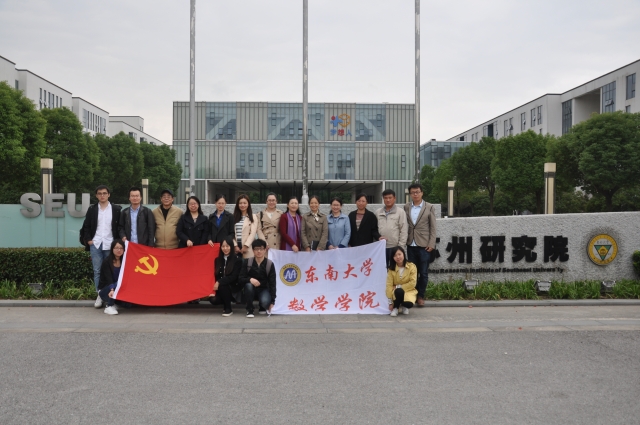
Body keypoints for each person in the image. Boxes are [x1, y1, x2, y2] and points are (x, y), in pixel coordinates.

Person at [82, 185, 122, 303]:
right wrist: (89, 240)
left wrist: (118, 242)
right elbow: (86, 226)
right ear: (96, 195)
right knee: (98, 271)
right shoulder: (92, 209)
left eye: (104, 193)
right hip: (96, 244)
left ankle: (111, 294)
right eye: (99, 193)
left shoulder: (116, 209)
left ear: (109, 194)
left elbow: (119, 227)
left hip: (111, 245)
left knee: (111, 270)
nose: (102, 195)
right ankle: (99, 295)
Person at [403, 183, 437, 307]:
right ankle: (412, 295)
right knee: (412, 273)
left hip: (424, 245)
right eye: (413, 192)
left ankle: (421, 296)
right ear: (410, 194)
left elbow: (433, 227)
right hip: (410, 244)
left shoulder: (429, 207)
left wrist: (431, 243)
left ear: (422, 193)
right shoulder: (406, 207)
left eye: (417, 192)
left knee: (423, 273)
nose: (415, 194)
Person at [238, 239, 276, 318]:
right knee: (248, 285)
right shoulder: (247, 262)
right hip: (250, 289)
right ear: (253, 250)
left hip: (264, 289)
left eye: (261, 249)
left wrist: (272, 301)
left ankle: (262, 306)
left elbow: (272, 283)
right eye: (256, 249)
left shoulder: (269, 264)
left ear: (265, 250)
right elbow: (240, 278)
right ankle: (250, 309)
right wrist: (250, 279)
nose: (259, 251)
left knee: (265, 302)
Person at [376, 189, 408, 268]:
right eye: (385, 198)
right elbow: (374, 229)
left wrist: (400, 247)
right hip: (381, 247)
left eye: (390, 198)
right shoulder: (378, 212)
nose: (388, 200)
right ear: (383, 199)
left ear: (394, 198)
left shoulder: (400, 212)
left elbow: (403, 230)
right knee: (382, 269)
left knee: (395, 269)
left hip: (395, 247)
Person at [213, 236, 242, 317]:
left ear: (231, 246)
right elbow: (216, 275)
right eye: (223, 246)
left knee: (223, 285)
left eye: (227, 246)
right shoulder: (217, 260)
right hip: (220, 287)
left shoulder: (237, 260)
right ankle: (225, 302)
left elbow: (234, 277)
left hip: (233, 286)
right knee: (213, 300)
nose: (225, 248)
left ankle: (228, 308)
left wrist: (219, 282)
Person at [385, 246, 417, 317]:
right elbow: (389, 285)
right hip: (396, 292)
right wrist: (390, 303)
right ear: (393, 258)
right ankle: (395, 308)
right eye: (395, 255)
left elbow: (413, 283)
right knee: (399, 291)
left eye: (399, 254)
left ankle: (404, 305)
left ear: (403, 254)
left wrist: (397, 286)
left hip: (408, 290)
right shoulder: (391, 269)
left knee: (409, 304)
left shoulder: (412, 266)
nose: (398, 257)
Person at [97, 239, 126, 316]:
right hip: (106, 290)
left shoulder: (124, 261)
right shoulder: (107, 262)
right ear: (112, 249)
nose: (119, 250)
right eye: (116, 248)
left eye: (121, 248)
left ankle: (115, 303)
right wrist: (112, 289)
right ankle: (109, 306)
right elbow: (108, 278)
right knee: (118, 284)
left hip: (117, 289)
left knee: (128, 305)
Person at [233, 194, 258, 259]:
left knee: (248, 264)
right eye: (240, 203)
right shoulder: (233, 217)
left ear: (248, 204)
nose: (242, 205)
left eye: (244, 203)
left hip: (248, 247)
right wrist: (235, 245)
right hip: (236, 248)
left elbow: (253, 233)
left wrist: (246, 246)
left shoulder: (253, 217)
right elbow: (231, 233)